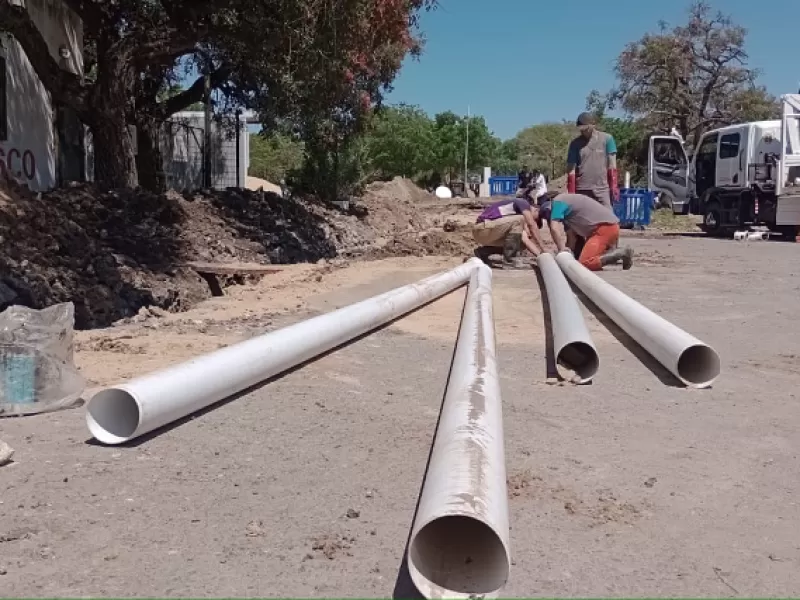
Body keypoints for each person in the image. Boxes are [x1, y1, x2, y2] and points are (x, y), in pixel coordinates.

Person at [533, 193, 634, 271]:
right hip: (604, 229)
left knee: (585, 262)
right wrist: (566, 253)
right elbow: (571, 237)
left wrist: (561, 248)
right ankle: (615, 254)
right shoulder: (568, 210)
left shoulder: (558, 202)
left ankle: (622, 253)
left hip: (604, 228)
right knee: (583, 259)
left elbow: (554, 228)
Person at [472, 196, 545, 268]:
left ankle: (483, 252)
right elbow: (531, 224)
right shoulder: (523, 203)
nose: (532, 221)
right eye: (535, 219)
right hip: (481, 228)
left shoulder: (514, 219)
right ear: (536, 210)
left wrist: (540, 256)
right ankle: (509, 262)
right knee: (520, 220)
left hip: (487, 232)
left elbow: (525, 240)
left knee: (521, 242)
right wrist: (543, 249)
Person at [566, 112, 619, 208]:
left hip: (602, 188)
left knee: (608, 217)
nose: (583, 132)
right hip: (582, 188)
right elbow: (571, 169)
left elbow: (612, 165)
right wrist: (571, 192)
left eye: (585, 129)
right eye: (581, 129)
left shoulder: (607, 139)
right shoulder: (575, 144)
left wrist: (613, 187)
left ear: (592, 125)